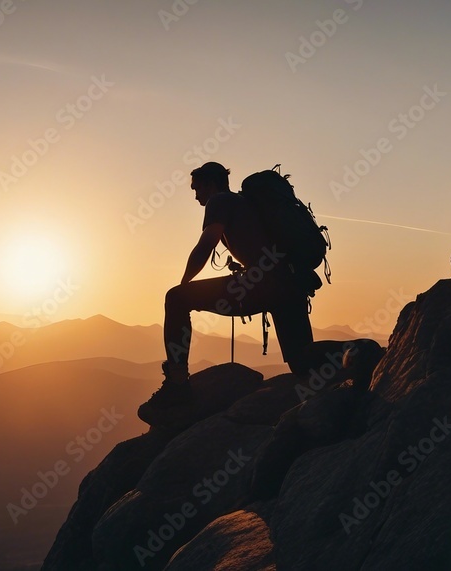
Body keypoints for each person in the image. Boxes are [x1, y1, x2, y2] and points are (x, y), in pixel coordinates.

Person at [138, 162, 323, 423]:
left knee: (176, 298)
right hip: (290, 284)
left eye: (196, 188)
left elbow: (206, 244)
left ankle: (177, 384)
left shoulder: (219, 201)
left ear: (210, 184)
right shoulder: (245, 204)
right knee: (302, 361)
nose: (195, 196)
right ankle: (357, 351)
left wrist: (184, 284)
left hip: (259, 286)